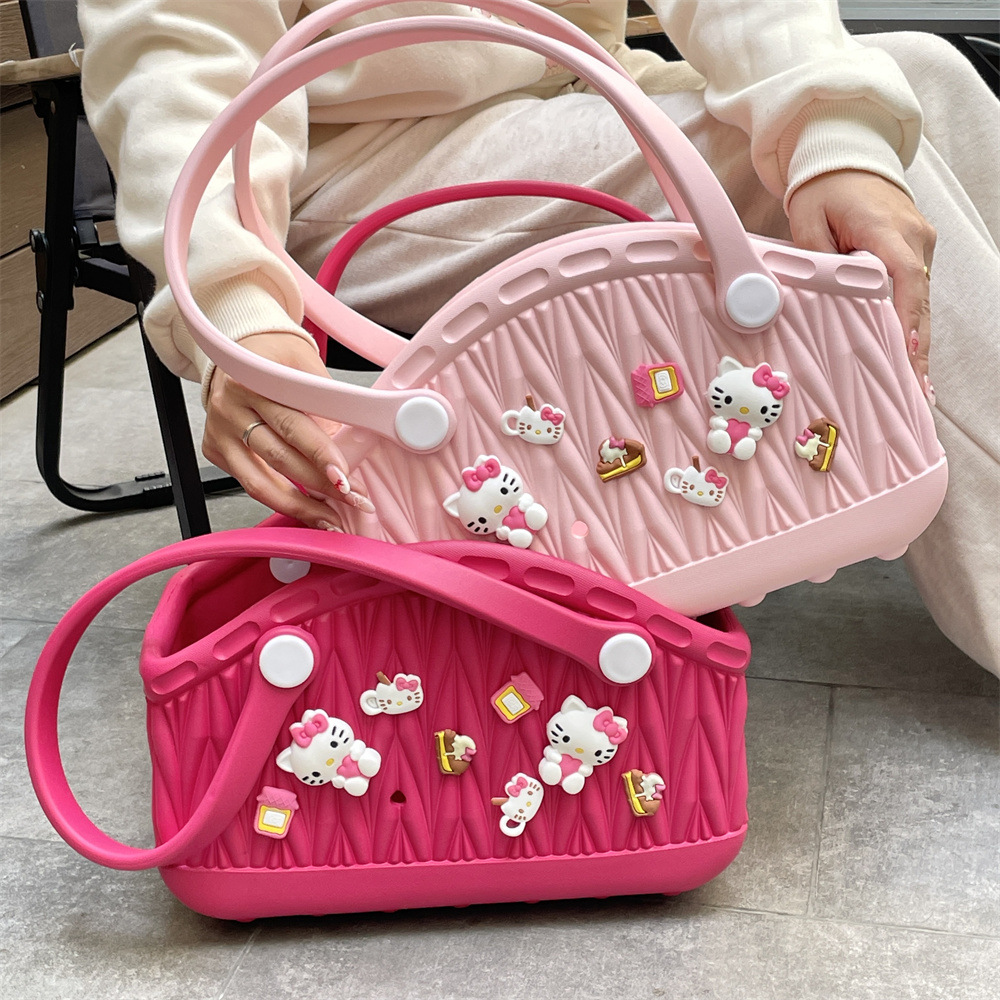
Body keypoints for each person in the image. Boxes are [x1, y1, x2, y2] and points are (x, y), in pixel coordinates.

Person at [78, 0, 998, 674]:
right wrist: (238, 303)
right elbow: (176, 52)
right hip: (351, 156)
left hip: (574, 81)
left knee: (925, 78)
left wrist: (833, 131)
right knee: (785, 170)